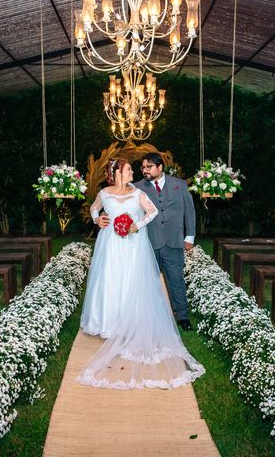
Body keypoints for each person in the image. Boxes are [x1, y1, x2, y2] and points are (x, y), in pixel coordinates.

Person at [77, 158, 204, 390]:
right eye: (129, 170)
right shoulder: (105, 193)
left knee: (133, 282)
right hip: (111, 245)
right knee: (110, 281)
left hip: (134, 245)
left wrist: (137, 224)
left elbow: (153, 211)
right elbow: (94, 208)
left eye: (138, 169)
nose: (134, 172)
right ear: (116, 173)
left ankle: (143, 322)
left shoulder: (138, 191)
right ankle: (108, 323)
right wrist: (98, 220)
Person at [134, 152, 196, 331]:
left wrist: (189, 236)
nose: (145, 170)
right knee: (146, 282)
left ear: (160, 167)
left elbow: (189, 211)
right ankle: (145, 317)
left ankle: (182, 316)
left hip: (174, 242)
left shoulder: (180, 185)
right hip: (148, 243)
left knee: (176, 280)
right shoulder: (137, 188)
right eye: (143, 167)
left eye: (149, 167)